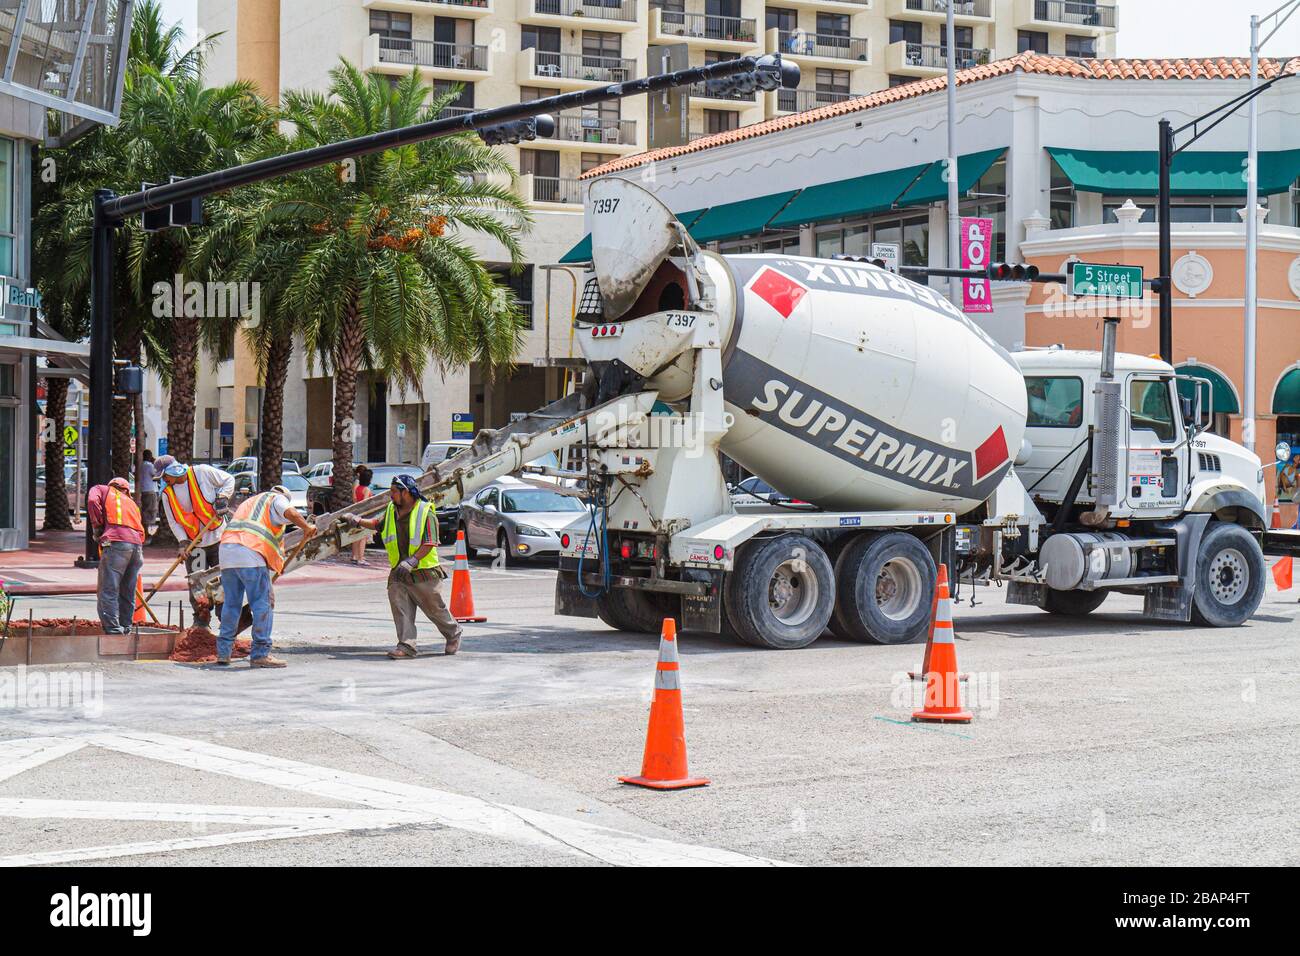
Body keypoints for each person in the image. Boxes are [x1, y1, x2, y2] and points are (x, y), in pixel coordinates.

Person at [345, 473, 461, 659]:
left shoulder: (426, 511)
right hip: (399, 572)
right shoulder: (392, 509)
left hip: (424, 572)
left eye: (393, 491)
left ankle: (453, 634)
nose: (391, 495)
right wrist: (356, 520)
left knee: (435, 610)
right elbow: (378, 524)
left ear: (405, 492)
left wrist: (413, 560)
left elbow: (431, 541)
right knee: (400, 609)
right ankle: (406, 646)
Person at [215, 484, 317, 667]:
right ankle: (260, 653)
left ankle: (223, 652)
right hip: (249, 552)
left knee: (231, 604)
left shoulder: (250, 501)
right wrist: (306, 527)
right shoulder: (276, 499)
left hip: (227, 551)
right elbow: (291, 513)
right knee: (263, 604)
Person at [86, 477, 145, 634]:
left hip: (116, 542)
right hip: (137, 547)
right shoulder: (132, 504)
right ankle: (126, 628)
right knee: (128, 590)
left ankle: (113, 630)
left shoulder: (101, 489)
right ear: (126, 490)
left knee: (108, 588)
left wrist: (97, 528)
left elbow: (92, 502)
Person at [159, 460, 235, 575]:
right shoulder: (167, 494)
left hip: (218, 540)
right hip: (194, 546)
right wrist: (183, 541)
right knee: (198, 589)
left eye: (165, 475)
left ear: (174, 470)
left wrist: (223, 497)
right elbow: (174, 522)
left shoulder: (201, 472)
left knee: (221, 586)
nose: (164, 479)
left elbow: (229, 480)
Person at [351, 465, 373, 565]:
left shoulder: (358, 488)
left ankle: (355, 556)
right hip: (364, 514)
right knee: (362, 536)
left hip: (356, 512)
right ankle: (361, 558)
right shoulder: (367, 489)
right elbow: (365, 502)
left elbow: (355, 500)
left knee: (356, 536)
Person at [139, 450, 159, 539]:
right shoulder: (149, 465)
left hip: (144, 490)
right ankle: (147, 533)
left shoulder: (141, 465)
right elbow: (156, 477)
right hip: (151, 490)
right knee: (151, 510)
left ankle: (145, 531)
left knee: (145, 510)